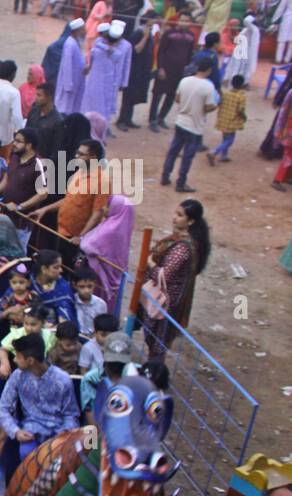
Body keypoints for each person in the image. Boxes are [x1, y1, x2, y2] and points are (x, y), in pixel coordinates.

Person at [142, 199, 210, 357]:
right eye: (175, 213)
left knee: (158, 340)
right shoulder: (183, 240)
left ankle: (154, 369)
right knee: (156, 339)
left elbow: (163, 276)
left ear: (191, 221)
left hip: (167, 301)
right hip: (169, 296)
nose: (174, 218)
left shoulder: (182, 248)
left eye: (179, 215)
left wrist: (150, 262)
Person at [0, 331, 80, 459]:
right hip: (31, 433)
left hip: (58, 434)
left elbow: (71, 415)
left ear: (30, 360)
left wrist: (63, 437)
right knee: (27, 455)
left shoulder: (63, 380)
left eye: (18, 356)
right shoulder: (17, 377)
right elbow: (2, 409)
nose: (14, 360)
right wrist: (16, 431)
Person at [31, 139, 108, 239]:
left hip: (75, 238)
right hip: (61, 231)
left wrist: (81, 237)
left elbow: (98, 214)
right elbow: (68, 200)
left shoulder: (102, 182)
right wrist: (44, 209)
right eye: (77, 153)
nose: (76, 157)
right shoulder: (79, 173)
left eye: (81, 154)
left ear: (93, 157)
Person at [160, 56, 216, 193]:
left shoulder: (185, 81)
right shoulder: (208, 86)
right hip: (194, 126)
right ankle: (181, 182)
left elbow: (178, 99)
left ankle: (165, 176)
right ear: (209, 70)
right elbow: (209, 107)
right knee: (187, 156)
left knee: (173, 151)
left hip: (181, 121)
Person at [79, 193, 133, 303]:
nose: (104, 208)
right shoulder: (123, 226)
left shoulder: (110, 230)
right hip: (114, 273)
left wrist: (82, 238)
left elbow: (86, 246)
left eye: (108, 205)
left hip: (101, 277)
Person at [149, 14, 195, 133]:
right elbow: (161, 52)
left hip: (179, 72)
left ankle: (161, 118)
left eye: (186, 21)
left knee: (171, 95)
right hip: (165, 69)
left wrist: (188, 70)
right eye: (182, 20)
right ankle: (152, 120)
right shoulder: (169, 34)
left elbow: (190, 54)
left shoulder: (191, 36)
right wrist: (160, 68)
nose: (184, 23)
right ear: (178, 21)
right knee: (157, 95)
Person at [208, 74, 245, 165]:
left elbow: (219, 103)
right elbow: (240, 110)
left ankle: (224, 155)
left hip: (223, 119)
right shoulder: (241, 97)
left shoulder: (226, 94)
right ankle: (215, 152)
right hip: (232, 121)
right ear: (242, 85)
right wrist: (244, 117)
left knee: (225, 138)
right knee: (230, 140)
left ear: (232, 83)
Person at [54, 18, 86, 114]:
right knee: (64, 109)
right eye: (83, 29)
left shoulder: (76, 42)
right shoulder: (70, 44)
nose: (85, 31)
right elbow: (67, 66)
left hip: (76, 83)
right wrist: (68, 85)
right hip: (69, 85)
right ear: (77, 31)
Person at [70, 267, 108, 338]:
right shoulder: (71, 301)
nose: (86, 291)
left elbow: (102, 326)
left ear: (95, 284)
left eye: (90, 286)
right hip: (75, 338)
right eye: (82, 287)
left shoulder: (101, 304)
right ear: (74, 285)